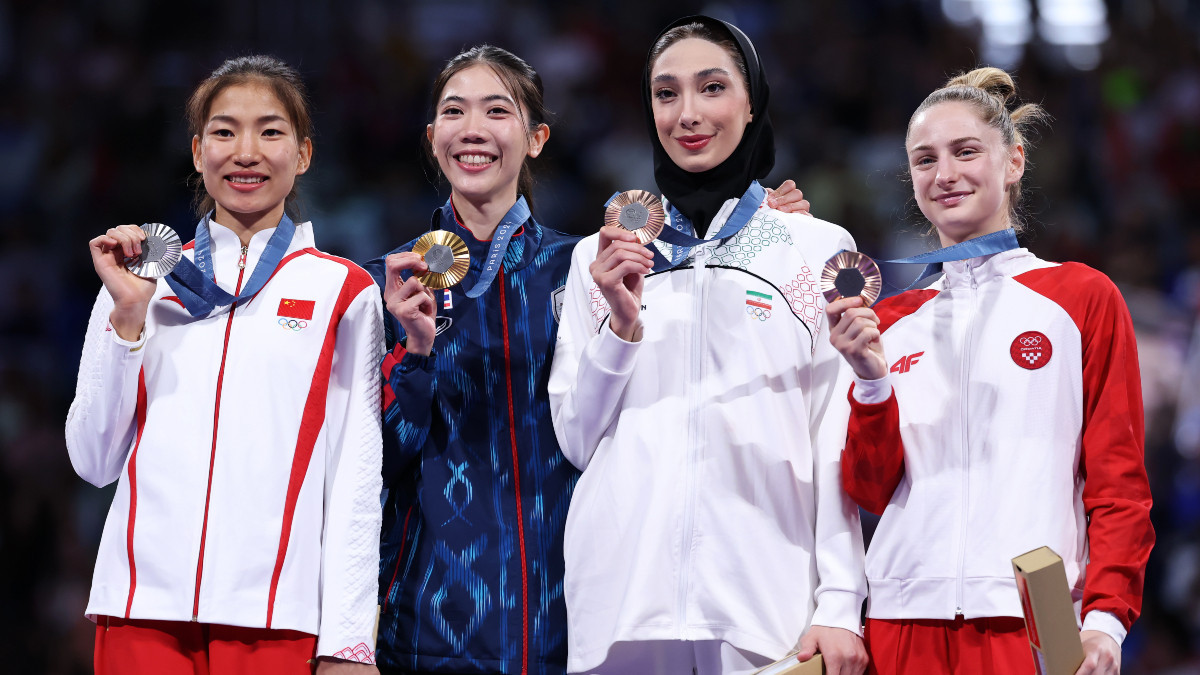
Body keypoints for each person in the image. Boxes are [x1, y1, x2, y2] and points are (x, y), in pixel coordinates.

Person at [367, 44, 810, 675]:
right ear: (432, 135)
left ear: (537, 138)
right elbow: (374, 463)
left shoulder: (586, 269)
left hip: (564, 611)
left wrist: (770, 229)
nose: (473, 130)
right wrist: (413, 354)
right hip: (427, 620)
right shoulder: (387, 282)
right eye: (453, 111)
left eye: (498, 110)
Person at [549, 16, 868, 675]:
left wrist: (840, 600)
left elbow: (836, 432)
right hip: (621, 606)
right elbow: (577, 440)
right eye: (666, 94)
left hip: (765, 609)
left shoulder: (813, 249)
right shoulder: (598, 259)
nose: (687, 113)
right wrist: (620, 324)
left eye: (712, 87)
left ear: (751, 101)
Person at [825, 67, 1154, 675]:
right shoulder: (889, 320)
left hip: (1030, 621)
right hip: (901, 620)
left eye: (965, 151)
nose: (944, 174)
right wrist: (871, 382)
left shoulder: (1081, 297)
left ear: (1014, 162)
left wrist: (1106, 619)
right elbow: (869, 491)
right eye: (924, 160)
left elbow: (1119, 483)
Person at [65, 55, 383, 674]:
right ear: (196, 151)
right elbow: (92, 461)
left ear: (304, 153)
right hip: (141, 607)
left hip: (274, 617)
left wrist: (348, 641)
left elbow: (355, 477)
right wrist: (126, 319)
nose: (246, 152)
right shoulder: (140, 282)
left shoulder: (343, 292)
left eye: (270, 131)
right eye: (223, 131)